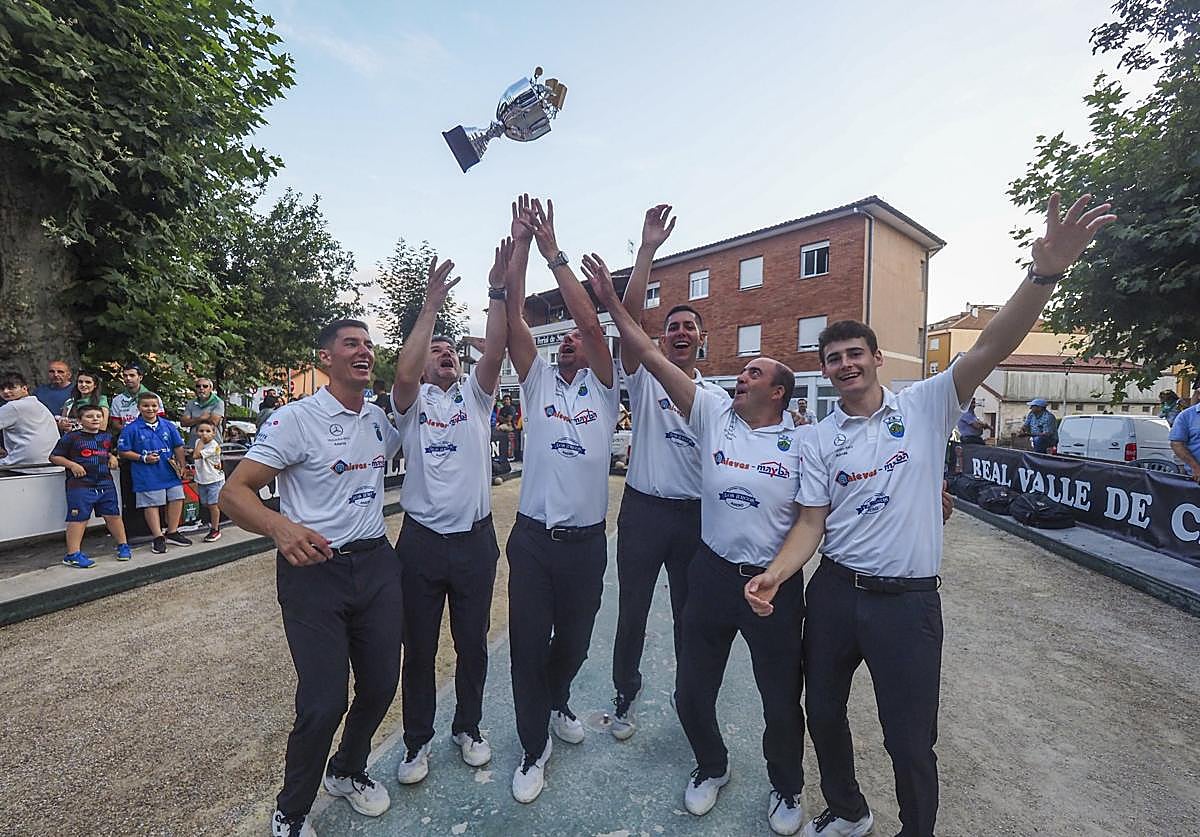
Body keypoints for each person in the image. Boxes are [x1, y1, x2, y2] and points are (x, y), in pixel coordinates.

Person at [744, 192, 1116, 837]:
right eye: (833, 358)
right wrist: (776, 574)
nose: (845, 364)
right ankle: (850, 810)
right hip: (834, 592)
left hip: (907, 603)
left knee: (909, 740)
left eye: (855, 353)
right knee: (823, 712)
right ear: (825, 370)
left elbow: (995, 344)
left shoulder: (926, 405)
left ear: (876, 358)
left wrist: (1046, 273)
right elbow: (810, 522)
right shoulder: (816, 438)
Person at [585, 251, 808, 835]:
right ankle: (711, 766)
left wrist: (928, 485)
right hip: (710, 568)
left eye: (755, 373)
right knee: (689, 690)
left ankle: (787, 787)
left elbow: (819, 515)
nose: (744, 378)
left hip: (771, 583)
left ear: (781, 393)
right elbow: (650, 355)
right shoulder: (715, 412)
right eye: (743, 372)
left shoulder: (807, 443)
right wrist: (612, 297)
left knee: (780, 696)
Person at [221, 318, 402, 837]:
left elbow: (411, 390)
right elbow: (233, 494)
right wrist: (279, 526)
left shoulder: (378, 420)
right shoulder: (294, 420)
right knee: (323, 701)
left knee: (381, 685)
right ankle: (292, 810)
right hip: (314, 572)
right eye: (351, 344)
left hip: (375, 564)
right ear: (326, 358)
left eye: (368, 344)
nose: (363, 351)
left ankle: (346, 770)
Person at [503, 197, 621, 804]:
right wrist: (520, 240)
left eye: (580, 336)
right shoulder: (535, 381)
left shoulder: (605, 388)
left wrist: (556, 254)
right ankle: (531, 748)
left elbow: (596, 324)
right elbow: (515, 320)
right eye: (566, 338)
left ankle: (558, 699)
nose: (572, 340)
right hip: (532, 539)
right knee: (527, 643)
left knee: (573, 641)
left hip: (584, 545)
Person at [599, 204, 732, 743]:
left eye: (688, 328)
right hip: (644, 512)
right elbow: (630, 325)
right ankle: (625, 694)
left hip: (696, 519)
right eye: (671, 326)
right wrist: (647, 250)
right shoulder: (646, 378)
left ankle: (689, 703)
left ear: (702, 339)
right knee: (631, 611)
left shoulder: (719, 398)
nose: (678, 332)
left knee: (688, 617)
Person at [390, 238, 512, 786]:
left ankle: (469, 726)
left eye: (450, 350)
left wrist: (496, 289)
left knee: (472, 643)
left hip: (473, 542)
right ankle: (417, 742)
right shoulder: (411, 406)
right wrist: (430, 308)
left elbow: (496, 348)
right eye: (435, 349)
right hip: (419, 543)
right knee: (417, 649)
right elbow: (403, 374)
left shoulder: (476, 398)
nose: (445, 354)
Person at [48, 404, 132, 567]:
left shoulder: (106, 437)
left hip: (105, 483)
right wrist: (72, 465)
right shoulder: (71, 437)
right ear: (79, 420)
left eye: (98, 416)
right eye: (89, 416)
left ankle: (123, 545)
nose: (95, 419)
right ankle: (72, 554)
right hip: (80, 485)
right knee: (79, 518)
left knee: (113, 515)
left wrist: (112, 457)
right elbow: (54, 457)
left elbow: (109, 451)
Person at [117, 392, 191, 554]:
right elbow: (123, 452)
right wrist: (143, 458)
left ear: (158, 407)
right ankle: (158, 536)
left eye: (153, 406)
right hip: (146, 474)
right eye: (146, 406)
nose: (150, 409)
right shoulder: (131, 429)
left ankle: (172, 532)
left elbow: (178, 446)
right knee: (152, 504)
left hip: (169, 472)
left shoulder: (168, 425)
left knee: (177, 498)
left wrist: (182, 466)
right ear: (139, 407)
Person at [0, 371, 62, 471]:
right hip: (52, 463)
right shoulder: (37, 404)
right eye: (2, 389)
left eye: (11, 388)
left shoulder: (13, 406)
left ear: (24, 388)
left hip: (27, 464)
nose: (6, 391)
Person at [191, 420, 225, 542]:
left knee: (213, 505)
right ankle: (211, 522)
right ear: (196, 432)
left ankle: (215, 529)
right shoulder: (197, 442)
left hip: (214, 480)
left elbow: (196, 455)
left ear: (214, 433)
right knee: (205, 503)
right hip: (202, 479)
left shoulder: (213, 446)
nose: (204, 434)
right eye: (201, 431)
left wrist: (200, 441)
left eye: (208, 431)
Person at [109, 363, 162, 433]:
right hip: (127, 436)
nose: (128, 378)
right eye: (125, 375)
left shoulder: (154, 398)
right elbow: (115, 424)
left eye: (132, 375)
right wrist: (132, 432)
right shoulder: (117, 400)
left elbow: (160, 420)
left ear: (140, 377)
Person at [58, 369, 110, 434]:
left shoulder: (101, 401)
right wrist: (62, 426)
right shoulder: (70, 402)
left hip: (91, 440)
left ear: (95, 385)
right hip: (70, 439)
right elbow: (62, 422)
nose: (83, 385)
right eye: (80, 382)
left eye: (88, 382)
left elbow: (102, 428)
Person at [1169, 383, 1200, 483]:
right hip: (1196, 478)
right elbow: (1176, 444)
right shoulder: (1186, 416)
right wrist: (1195, 467)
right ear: (1199, 394)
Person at [181, 377, 225, 442]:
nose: (201, 388)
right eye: (198, 386)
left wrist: (192, 421)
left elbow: (213, 422)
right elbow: (184, 423)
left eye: (205, 386)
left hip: (212, 446)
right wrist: (201, 418)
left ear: (210, 389)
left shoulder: (218, 402)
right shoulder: (191, 403)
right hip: (193, 444)